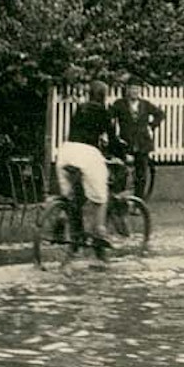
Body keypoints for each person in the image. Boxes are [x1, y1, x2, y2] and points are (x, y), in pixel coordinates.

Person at [54, 80, 123, 253]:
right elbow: (113, 139)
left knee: (72, 195)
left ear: (89, 94)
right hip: (87, 154)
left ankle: (63, 217)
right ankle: (99, 230)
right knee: (101, 195)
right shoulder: (104, 112)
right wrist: (122, 155)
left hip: (67, 151)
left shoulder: (81, 109)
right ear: (104, 96)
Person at [110, 83, 166, 199]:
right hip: (126, 142)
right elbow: (110, 117)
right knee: (121, 171)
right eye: (132, 88)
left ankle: (138, 200)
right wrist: (111, 134)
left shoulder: (145, 105)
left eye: (137, 89)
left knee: (141, 173)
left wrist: (151, 126)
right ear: (127, 90)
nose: (134, 91)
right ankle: (119, 200)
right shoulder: (119, 104)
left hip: (142, 142)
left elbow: (160, 114)